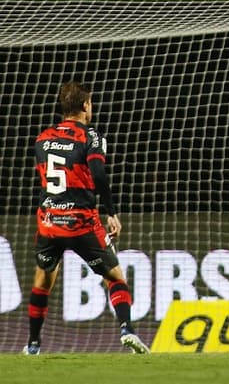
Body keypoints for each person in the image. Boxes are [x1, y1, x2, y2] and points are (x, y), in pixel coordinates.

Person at [24, 81, 150, 355]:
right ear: (85, 105)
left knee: (42, 279)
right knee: (115, 277)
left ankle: (33, 344)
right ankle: (127, 329)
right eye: (90, 103)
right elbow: (98, 173)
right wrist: (112, 212)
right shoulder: (90, 136)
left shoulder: (42, 138)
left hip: (49, 222)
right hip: (81, 222)